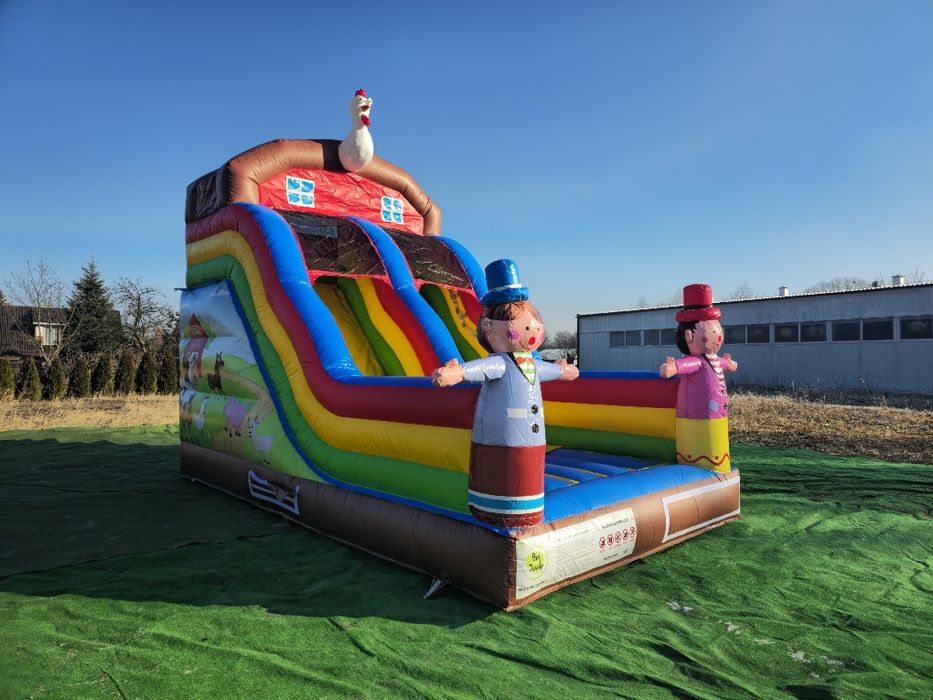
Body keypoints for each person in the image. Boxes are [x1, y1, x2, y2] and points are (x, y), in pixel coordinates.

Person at [433, 259, 578, 527]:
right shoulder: (500, 363)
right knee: (507, 477)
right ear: (489, 327)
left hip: (531, 440)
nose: (533, 330)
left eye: (534, 325)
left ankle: (526, 511)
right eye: (525, 326)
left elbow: (549, 370)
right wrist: (457, 372)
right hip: (502, 440)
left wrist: (563, 370)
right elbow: (478, 369)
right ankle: (498, 512)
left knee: (528, 476)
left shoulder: (531, 363)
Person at [659, 283, 737, 471]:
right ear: (688, 335)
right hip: (696, 418)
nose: (718, 336)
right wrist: (672, 367)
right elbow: (680, 367)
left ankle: (718, 463)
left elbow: (727, 364)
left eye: (718, 330)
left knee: (717, 442)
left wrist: (730, 364)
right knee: (702, 452)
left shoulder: (713, 359)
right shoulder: (696, 362)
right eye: (712, 331)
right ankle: (698, 463)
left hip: (718, 416)